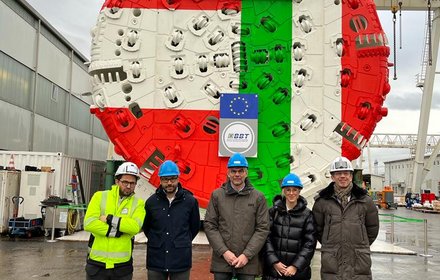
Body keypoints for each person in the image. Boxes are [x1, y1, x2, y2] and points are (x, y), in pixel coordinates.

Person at [204, 153, 270, 280]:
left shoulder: (258, 197)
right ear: (228, 173)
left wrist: (246, 255)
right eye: (233, 171)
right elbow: (210, 225)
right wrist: (224, 252)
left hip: (247, 261)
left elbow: (262, 228)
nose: (237, 174)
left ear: (246, 173)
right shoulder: (217, 196)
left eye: (241, 171)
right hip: (222, 260)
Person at [312, 156, 379, 280]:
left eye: (346, 173)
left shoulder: (365, 201)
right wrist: (331, 244)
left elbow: (372, 228)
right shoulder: (322, 202)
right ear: (332, 177)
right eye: (338, 173)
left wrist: (360, 244)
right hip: (332, 259)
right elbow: (318, 229)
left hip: (359, 260)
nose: (342, 176)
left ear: (351, 176)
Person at [84, 161, 146, 280]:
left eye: (132, 183)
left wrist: (108, 218)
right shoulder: (99, 196)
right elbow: (89, 223)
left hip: (122, 267)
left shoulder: (138, 203)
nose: (128, 186)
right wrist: (117, 231)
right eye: (125, 182)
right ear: (117, 181)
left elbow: (134, 227)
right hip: (97, 265)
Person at [143, 160, 200, 280]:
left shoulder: (190, 201)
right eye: (165, 179)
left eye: (173, 179)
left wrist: (182, 241)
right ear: (160, 180)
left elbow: (194, 227)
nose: (169, 183)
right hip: (156, 261)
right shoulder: (151, 202)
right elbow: (147, 227)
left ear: (178, 179)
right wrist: (158, 241)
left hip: (180, 261)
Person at [262, 173, 316, 280]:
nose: (291, 193)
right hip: (274, 272)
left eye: (294, 190)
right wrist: (274, 261)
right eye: (288, 190)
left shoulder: (307, 215)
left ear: (299, 191)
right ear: (283, 191)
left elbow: (309, 243)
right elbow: (265, 238)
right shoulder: (273, 212)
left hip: (297, 274)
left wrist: (295, 266)